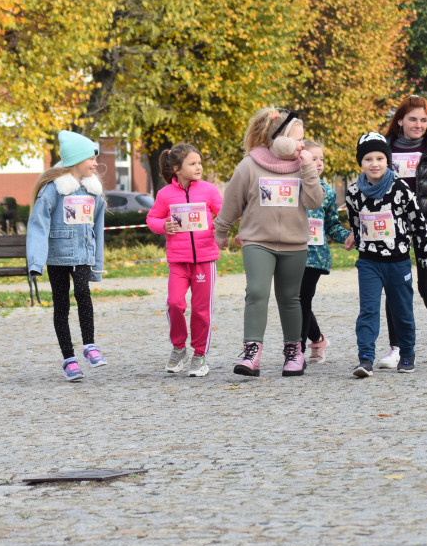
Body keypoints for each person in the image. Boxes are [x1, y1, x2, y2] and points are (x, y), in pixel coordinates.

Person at [213, 107, 325, 377]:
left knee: (290, 298)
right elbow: (232, 201)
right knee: (257, 292)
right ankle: (252, 353)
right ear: (278, 138)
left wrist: (309, 167)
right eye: (298, 139)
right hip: (257, 242)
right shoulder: (249, 165)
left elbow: (315, 201)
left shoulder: (303, 167)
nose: (302, 144)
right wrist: (222, 230)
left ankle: (293, 353)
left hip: (294, 244)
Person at [376, 95, 427, 368]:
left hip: (425, 226)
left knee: (426, 286)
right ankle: (395, 348)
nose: (418, 124)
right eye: (412, 119)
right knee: (395, 287)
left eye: (423, 120)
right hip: (391, 227)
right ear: (400, 120)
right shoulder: (383, 150)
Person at [347, 132, 427, 377]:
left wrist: (424, 251)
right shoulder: (354, 192)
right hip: (369, 261)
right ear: (361, 163)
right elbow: (355, 222)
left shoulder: (399, 188)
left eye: (379, 158)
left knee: (402, 310)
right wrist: (356, 239)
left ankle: (407, 353)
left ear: (388, 161)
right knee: (368, 310)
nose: (374, 164)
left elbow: (417, 221)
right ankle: (365, 358)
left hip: (397, 261)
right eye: (368, 159)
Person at [27, 130, 107, 382]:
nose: (96, 163)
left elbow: (98, 231)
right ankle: (69, 359)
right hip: (57, 257)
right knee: (61, 305)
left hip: (83, 255)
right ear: (76, 159)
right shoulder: (53, 190)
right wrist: (36, 262)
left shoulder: (94, 191)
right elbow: (38, 226)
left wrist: (97, 265)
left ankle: (89, 345)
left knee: (83, 293)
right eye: (91, 158)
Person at [146, 143, 223, 378]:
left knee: (201, 310)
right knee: (175, 304)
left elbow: (225, 213)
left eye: (199, 162)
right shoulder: (165, 194)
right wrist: (163, 226)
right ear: (177, 168)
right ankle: (179, 348)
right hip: (178, 261)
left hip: (204, 259)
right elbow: (152, 219)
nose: (198, 167)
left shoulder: (209, 190)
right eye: (193, 163)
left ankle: (199, 355)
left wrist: (229, 228)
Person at [299, 140, 351, 364]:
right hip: (291, 253)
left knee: (302, 299)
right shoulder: (290, 189)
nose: (318, 163)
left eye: (321, 159)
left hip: (316, 257)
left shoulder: (327, 192)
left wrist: (348, 236)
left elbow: (332, 225)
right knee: (294, 300)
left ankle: (296, 352)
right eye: (313, 158)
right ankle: (318, 338)